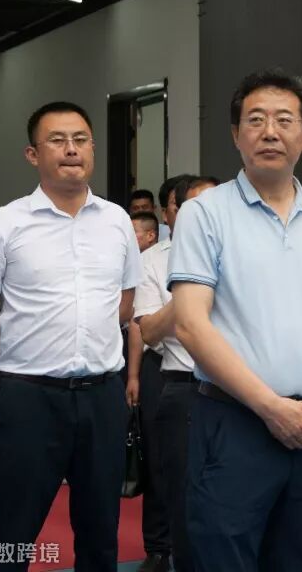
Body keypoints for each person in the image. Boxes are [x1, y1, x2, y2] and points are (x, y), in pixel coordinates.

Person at [168, 69, 302, 571]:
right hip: (236, 422)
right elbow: (190, 324)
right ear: (236, 135)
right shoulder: (204, 214)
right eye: (255, 120)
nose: (270, 132)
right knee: (223, 555)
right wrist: (270, 407)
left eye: (284, 120)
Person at [0, 101, 142, 571]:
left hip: (102, 398)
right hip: (30, 401)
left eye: (81, 140)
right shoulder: (4, 224)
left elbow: (125, 304)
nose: (71, 150)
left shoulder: (117, 221)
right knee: (12, 531)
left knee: (101, 532)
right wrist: (20, 357)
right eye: (58, 140)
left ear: (93, 149)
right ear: (32, 154)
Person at [137, 175, 219, 572]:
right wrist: (190, 289)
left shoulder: (245, 251)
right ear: (178, 212)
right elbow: (149, 331)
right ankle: (164, 551)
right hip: (182, 384)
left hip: (241, 390)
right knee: (178, 488)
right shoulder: (153, 260)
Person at [126, 209, 170, 572]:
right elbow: (140, 326)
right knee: (157, 459)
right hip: (162, 367)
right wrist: (134, 375)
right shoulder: (152, 260)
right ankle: (158, 547)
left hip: (217, 371)